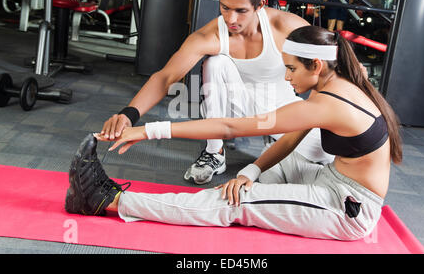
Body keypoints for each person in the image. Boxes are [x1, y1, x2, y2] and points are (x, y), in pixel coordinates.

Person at [65, 25, 402, 241]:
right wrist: (251, 171)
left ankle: (108, 200)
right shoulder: (336, 82)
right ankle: (219, 193)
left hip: (346, 208)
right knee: (245, 183)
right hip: (327, 176)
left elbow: (229, 126)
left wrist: (147, 131)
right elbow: (290, 139)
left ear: (315, 65)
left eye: (291, 68)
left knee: (237, 204)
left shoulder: (327, 104)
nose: (287, 78)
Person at [100, 0, 333, 185]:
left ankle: (274, 148)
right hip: (236, 108)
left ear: (260, 4)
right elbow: (165, 77)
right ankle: (214, 152)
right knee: (215, 63)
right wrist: (128, 114)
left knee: (324, 154)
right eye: (225, 8)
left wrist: (313, 112)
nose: (231, 19)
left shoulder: (286, 26)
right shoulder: (210, 35)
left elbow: (332, 71)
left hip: (282, 111)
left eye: (241, 10)